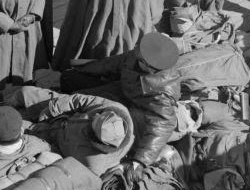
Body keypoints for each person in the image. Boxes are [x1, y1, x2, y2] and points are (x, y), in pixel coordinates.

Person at [58, 32, 181, 178]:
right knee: (69, 79)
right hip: (119, 90)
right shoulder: (139, 56)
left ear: (151, 68)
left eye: (140, 58)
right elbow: (111, 64)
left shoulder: (162, 94)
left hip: (132, 112)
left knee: (81, 111)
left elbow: (163, 125)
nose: (136, 55)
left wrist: (140, 161)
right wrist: (82, 68)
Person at [5, 87, 135, 177]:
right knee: (25, 93)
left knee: (12, 127)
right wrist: (51, 110)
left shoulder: (93, 164)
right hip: (63, 113)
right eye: (97, 115)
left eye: (93, 123)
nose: (94, 116)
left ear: (96, 140)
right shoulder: (115, 109)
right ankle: (5, 105)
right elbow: (79, 100)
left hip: (53, 141)